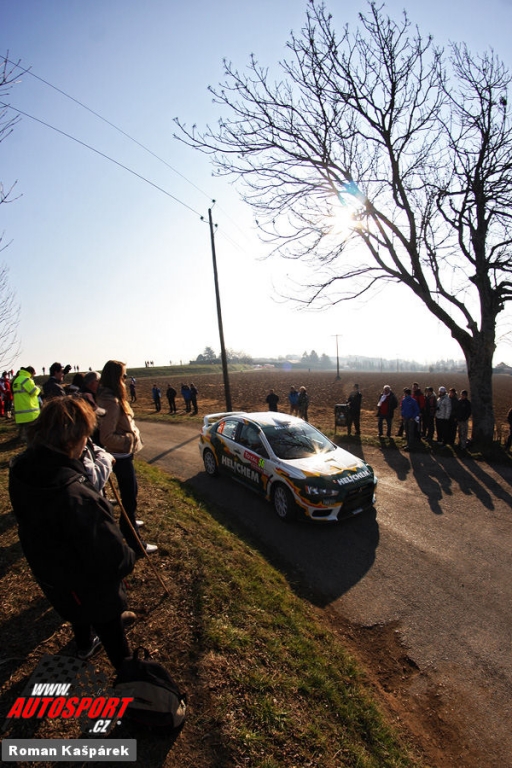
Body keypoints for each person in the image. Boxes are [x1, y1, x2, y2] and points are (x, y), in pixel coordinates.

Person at [8, 396, 135, 667]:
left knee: (77, 606)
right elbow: (114, 560)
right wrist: (129, 555)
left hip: (54, 574)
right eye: (86, 436)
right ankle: (126, 673)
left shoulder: (20, 468)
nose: (87, 443)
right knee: (114, 638)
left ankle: (84, 642)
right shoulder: (76, 495)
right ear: (72, 439)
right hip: (92, 588)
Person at [96, 360, 157, 556]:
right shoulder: (111, 403)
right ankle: (136, 544)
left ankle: (128, 524)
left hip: (124, 455)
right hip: (120, 456)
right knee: (129, 499)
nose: (125, 380)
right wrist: (129, 439)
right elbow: (106, 436)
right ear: (116, 378)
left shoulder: (112, 398)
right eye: (123, 376)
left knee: (132, 496)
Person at [12, 366, 41, 441]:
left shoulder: (16, 380)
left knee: (23, 435)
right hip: (30, 412)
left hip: (19, 413)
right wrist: (38, 388)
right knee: (32, 435)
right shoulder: (26, 379)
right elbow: (33, 392)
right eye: (34, 374)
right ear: (31, 373)